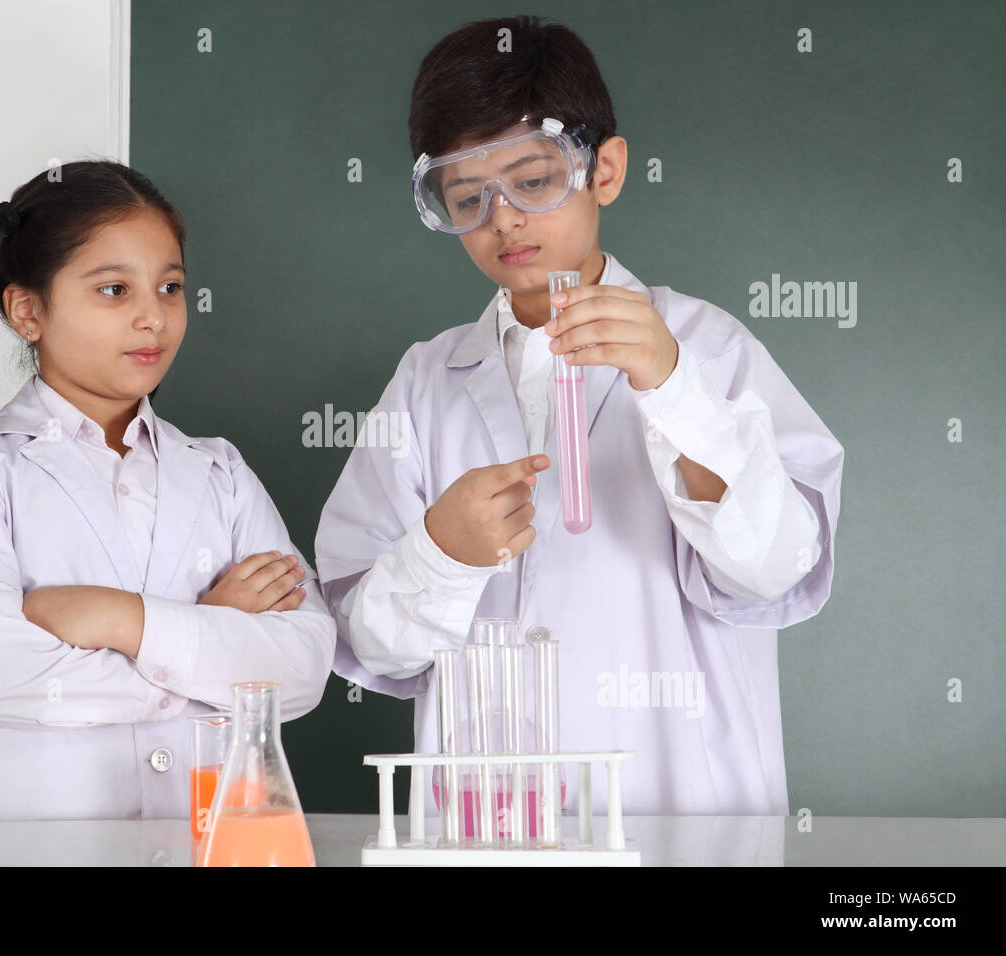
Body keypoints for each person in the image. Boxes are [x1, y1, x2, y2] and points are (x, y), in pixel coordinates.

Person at [314, 16, 844, 816]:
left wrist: (673, 389)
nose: (503, 221)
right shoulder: (427, 382)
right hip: (486, 822)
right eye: (466, 196)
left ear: (606, 169)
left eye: (534, 181)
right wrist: (439, 552)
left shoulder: (706, 347)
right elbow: (366, 640)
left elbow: (777, 567)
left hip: (677, 811)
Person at [0, 161, 335, 823]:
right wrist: (210, 637)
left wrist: (117, 619)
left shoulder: (218, 473)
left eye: (170, 287)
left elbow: (301, 670)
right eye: (113, 290)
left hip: (209, 847)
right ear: (27, 310)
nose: (153, 318)